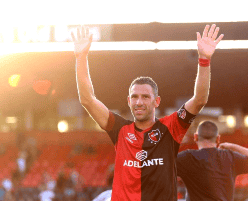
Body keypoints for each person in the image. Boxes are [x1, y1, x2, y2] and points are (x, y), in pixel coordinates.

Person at [71, 24, 223, 200]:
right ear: (129, 101)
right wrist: (81, 57)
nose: (139, 102)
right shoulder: (119, 128)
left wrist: (204, 60)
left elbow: (199, 100)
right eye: (134, 97)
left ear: (156, 101)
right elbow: (87, 100)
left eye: (145, 97)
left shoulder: (171, 127)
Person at [176, 121, 248, 201]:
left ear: (195, 137)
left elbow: (162, 163)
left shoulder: (187, 157)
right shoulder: (230, 157)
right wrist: (231, 146)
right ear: (218, 139)